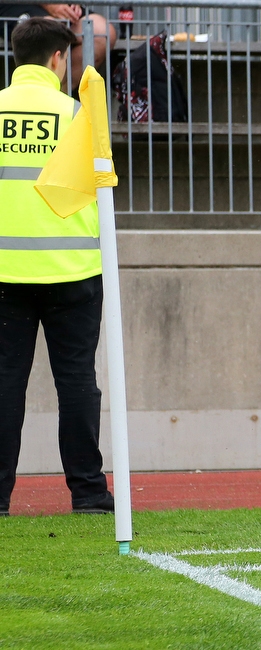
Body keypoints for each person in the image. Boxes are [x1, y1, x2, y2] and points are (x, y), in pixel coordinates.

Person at [0, 17, 113, 516]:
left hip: (5, 274)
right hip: (73, 271)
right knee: (77, 385)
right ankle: (89, 495)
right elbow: (101, 190)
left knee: (4, 386)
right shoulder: (77, 115)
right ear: (57, 59)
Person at [0, 4, 117, 92]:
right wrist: (49, 4)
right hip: (16, 4)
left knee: (102, 30)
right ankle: (36, 98)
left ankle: (59, 96)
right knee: (47, 30)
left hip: (60, 5)